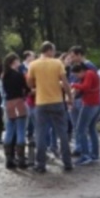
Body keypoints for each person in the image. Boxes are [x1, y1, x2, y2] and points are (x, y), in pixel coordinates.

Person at [27, 41, 72, 173]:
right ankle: (67, 163)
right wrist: (70, 97)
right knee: (62, 133)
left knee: (40, 133)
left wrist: (39, 84)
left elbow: (30, 83)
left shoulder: (33, 64)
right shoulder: (57, 63)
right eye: (53, 50)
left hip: (41, 102)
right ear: (49, 50)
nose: (54, 53)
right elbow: (65, 82)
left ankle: (40, 164)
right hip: (57, 101)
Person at [2, 52, 29, 170]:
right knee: (21, 130)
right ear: (14, 62)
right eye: (18, 60)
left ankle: (9, 159)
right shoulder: (18, 75)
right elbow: (26, 88)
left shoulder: (4, 75)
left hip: (8, 103)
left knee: (9, 130)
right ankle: (21, 159)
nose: (19, 62)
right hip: (18, 102)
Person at [71, 61, 100, 165]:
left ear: (81, 71)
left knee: (80, 129)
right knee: (92, 128)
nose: (78, 77)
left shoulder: (88, 74)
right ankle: (95, 153)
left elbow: (86, 87)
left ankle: (85, 155)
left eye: (77, 75)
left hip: (89, 104)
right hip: (96, 103)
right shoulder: (92, 73)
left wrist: (73, 85)